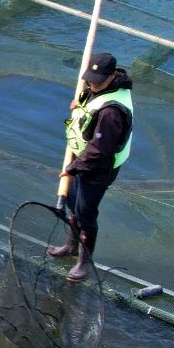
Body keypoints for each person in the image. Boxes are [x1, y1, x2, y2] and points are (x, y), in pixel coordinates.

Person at [47, 52, 134, 282]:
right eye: (89, 78)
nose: (91, 83)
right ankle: (70, 245)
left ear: (112, 76)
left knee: (85, 212)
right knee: (73, 203)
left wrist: (73, 168)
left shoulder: (111, 112)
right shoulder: (98, 87)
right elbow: (91, 98)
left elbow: (99, 151)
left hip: (98, 167)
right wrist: (80, 103)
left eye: (97, 79)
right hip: (80, 157)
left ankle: (84, 262)